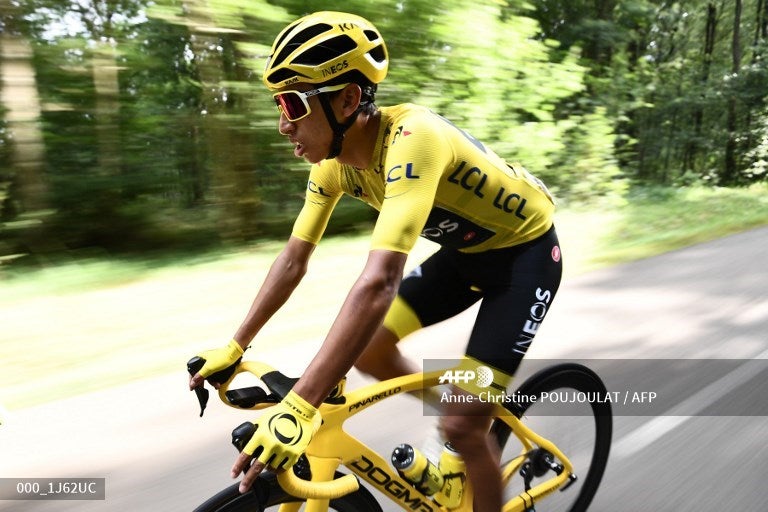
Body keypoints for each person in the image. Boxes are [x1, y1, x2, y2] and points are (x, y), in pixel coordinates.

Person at [188, 11, 562, 511]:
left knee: (463, 425)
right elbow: (294, 260)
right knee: (372, 352)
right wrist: (235, 345)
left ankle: (466, 429)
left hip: (525, 259)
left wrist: (301, 406)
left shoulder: (414, 139)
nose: (283, 125)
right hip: (466, 255)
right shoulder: (332, 168)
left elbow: (379, 279)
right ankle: (466, 415)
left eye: (294, 104)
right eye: (279, 104)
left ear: (347, 100)